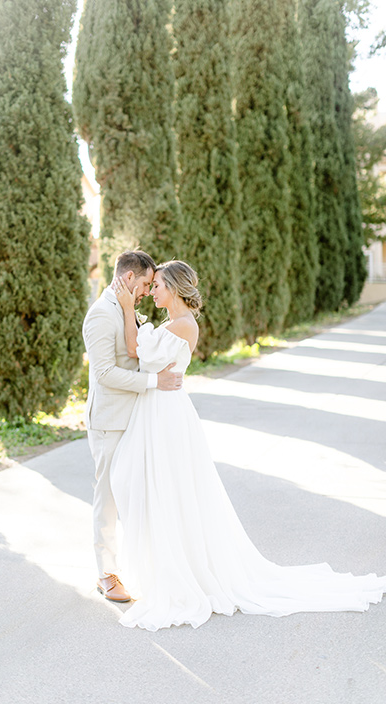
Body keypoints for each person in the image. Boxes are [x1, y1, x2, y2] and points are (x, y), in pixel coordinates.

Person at [110, 260, 386, 631]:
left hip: (166, 416)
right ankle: (167, 563)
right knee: (149, 484)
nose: (153, 291)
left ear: (173, 288)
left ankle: (181, 570)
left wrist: (128, 310)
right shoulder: (172, 323)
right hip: (159, 411)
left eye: (157, 285)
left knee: (170, 490)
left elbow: (134, 347)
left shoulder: (182, 325)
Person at [82, 250, 183, 604]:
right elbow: (105, 374)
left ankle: (145, 569)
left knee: (138, 498)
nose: (145, 291)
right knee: (108, 499)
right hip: (110, 422)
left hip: (138, 421)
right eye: (143, 284)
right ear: (128, 278)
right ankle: (105, 574)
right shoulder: (99, 316)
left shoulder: (127, 312)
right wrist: (156, 382)